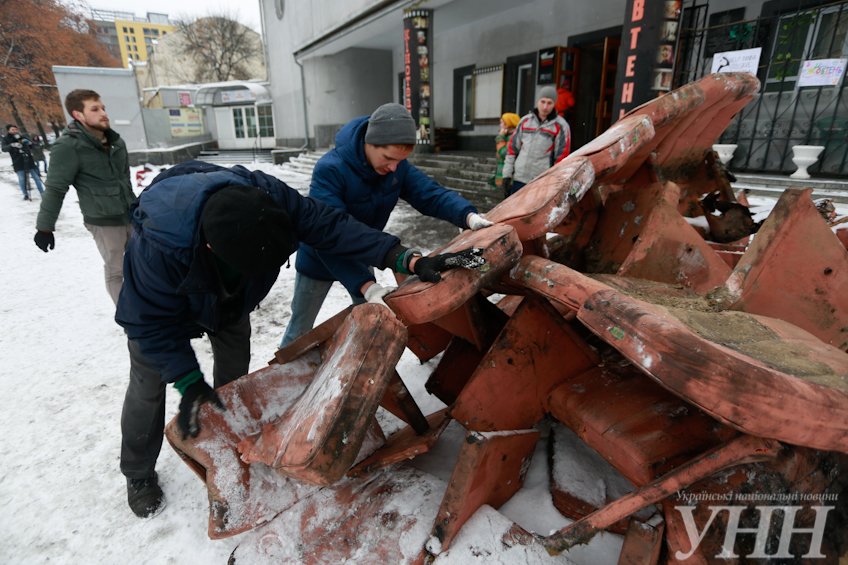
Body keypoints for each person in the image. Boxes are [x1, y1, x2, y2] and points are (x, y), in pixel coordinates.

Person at [114, 159, 483, 518]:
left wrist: (403, 258)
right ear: (213, 250)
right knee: (148, 384)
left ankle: (232, 443)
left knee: (234, 374)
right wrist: (188, 379)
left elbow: (330, 225)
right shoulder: (159, 247)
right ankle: (137, 471)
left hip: (229, 303)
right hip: (167, 306)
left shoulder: (269, 198)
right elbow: (147, 323)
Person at [279, 102, 493, 348]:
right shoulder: (331, 169)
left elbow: (429, 193)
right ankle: (280, 376)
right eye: (388, 158)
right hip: (319, 257)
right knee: (299, 329)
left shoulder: (396, 167)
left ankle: (363, 365)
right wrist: (365, 284)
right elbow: (326, 233)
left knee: (371, 320)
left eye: (399, 162)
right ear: (370, 143)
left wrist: (467, 216)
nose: (393, 168)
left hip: (362, 251)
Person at [33, 89, 136, 306]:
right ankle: (132, 320)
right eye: (95, 109)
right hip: (104, 221)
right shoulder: (68, 146)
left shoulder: (117, 142)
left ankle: (150, 309)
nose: (103, 113)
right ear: (78, 114)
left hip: (130, 216)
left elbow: (125, 181)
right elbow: (55, 188)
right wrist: (45, 228)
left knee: (141, 265)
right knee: (116, 271)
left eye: (103, 108)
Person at [502, 86, 571, 198]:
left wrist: (555, 184)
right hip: (519, 178)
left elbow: (561, 159)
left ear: (554, 104)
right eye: (542, 101)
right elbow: (512, 150)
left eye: (549, 103)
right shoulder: (525, 121)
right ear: (537, 101)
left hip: (540, 181)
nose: (545, 106)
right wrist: (506, 175)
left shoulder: (561, 126)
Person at [2, 124, 45, 200]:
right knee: (22, 179)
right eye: (12, 130)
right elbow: (4, 148)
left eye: (16, 129)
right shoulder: (6, 139)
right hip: (17, 161)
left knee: (36, 177)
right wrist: (12, 145)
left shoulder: (22, 136)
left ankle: (42, 192)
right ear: (8, 130)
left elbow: (33, 145)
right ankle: (25, 194)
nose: (15, 131)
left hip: (29, 159)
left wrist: (29, 143)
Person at [491, 112, 520, 193]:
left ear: (508, 124)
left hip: (510, 177)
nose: (500, 124)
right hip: (504, 174)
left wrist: (500, 137)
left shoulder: (513, 137)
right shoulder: (507, 136)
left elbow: (504, 153)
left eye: (502, 122)